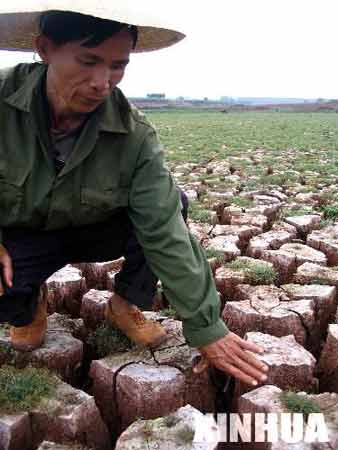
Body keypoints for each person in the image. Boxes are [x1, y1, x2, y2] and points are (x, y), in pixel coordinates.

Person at [0, 2, 268, 386]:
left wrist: (207, 328)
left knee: (172, 202)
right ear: (44, 49)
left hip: (95, 229)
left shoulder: (134, 135)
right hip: (23, 233)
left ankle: (125, 304)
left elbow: (165, 231)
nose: (102, 81)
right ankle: (27, 307)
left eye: (117, 65)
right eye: (88, 60)